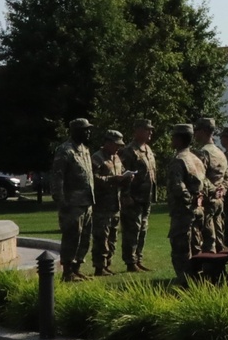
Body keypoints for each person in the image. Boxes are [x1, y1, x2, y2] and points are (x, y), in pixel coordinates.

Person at [52, 118, 96, 282]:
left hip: (87, 202)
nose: (89, 132)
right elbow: (58, 177)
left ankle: (77, 268)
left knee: (85, 237)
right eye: (86, 130)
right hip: (72, 203)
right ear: (76, 131)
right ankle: (67, 271)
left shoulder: (85, 149)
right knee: (72, 236)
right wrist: (61, 200)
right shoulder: (65, 150)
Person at [165, 124, 209, 287]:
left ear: (179, 139)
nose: (171, 140)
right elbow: (205, 183)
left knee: (180, 248)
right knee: (196, 245)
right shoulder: (196, 159)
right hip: (198, 210)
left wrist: (187, 201)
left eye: (173, 137)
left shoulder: (179, 159)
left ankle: (184, 281)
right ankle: (197, 279)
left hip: (183, 212)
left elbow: (177, 186)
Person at [91, 130, 133, 277]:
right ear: (108, 143)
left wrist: (126, 179)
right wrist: (112, 179)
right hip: (102, 205)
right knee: (101, 237)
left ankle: (107, 264)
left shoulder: (116, 158)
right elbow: (93, 179)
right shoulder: (97, 158)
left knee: (112, 237)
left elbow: (120, 174)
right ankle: (99, 266)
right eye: (116, 145)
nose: (118, 148)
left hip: (115, 204)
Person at [119, 119, 157, 272]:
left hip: (146, 197)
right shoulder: (129, 151)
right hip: (133, 198)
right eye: (147, 130)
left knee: (143, 229)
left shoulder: (148, 149)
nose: (150, 133)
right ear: (138, 131)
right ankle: (130, 261)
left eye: (150, 130)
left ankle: (138, 259)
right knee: (131, 229)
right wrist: (126, 195)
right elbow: (123, 174)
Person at [194, 117, 228, 253]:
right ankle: (219, 265)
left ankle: (211, 269)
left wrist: (213, 190)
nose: (195, 134)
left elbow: (201, 177)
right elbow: (227, 176)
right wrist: (222, 189)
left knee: (208, 237)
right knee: (219, 233)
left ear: (203, 131)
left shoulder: (203, 152)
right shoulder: (219, 152)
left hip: (209, 199)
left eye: (197, 130)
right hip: (220, 199)